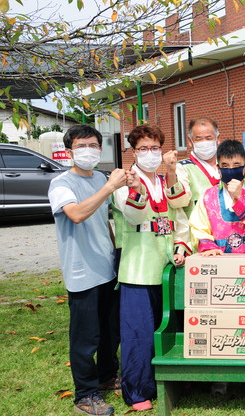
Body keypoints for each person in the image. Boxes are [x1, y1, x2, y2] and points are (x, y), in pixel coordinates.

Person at [48, 124, 126, 416]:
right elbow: (77, 214)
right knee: (86, 337)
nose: (88, 151)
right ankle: (85, 394)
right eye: (81, 146)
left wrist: (115, 250)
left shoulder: (100, 178)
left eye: (93, 145)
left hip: (106, 267)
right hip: (82, 272)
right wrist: (109, 188)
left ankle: (107, 376)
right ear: (70, 151)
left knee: (109, 332)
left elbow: (103, 221)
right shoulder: (61, 184)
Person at [112, 125, 190, 411]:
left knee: (167, 328)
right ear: (133, 152)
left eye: (155, 147)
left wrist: (181, 245)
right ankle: (137, 390)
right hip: (138, 267)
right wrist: (135, 189)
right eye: (143, 148)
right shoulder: (124, 180)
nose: (150, 153)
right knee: (139, 332)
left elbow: (180, 208)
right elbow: (134, 216)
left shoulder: (164, 178)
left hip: (167, 264)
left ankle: (170, 381)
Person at [190, 139, 245, 255]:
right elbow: (199, 227)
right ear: (218, 169)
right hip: (221, 259)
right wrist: (209, 247)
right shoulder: (207, 197)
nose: (230, 169)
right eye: (225, 166)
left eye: (236, 165)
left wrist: (240, 195)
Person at [176, 117, 221, 218]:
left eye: (209, 138)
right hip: (196, 227)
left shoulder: (229, 165)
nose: (204, 142)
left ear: (218, 139)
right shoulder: (182, 168)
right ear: (190, 141)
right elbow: (178, 202)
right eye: (199, 139)